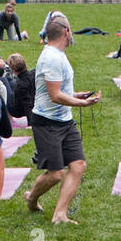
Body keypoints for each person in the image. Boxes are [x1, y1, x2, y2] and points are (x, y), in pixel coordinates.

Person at [27, 15, 99, 225]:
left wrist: (76, 95)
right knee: (55, 174)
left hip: (64, 120)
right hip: (47, 122)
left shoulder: (59, 54)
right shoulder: (51, 57)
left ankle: (60, 214)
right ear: (66, 32)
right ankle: (32, 197)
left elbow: (60, 90)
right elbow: (55, 96)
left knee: (78, 165)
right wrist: (82, 105)